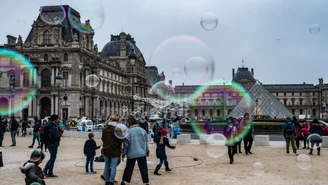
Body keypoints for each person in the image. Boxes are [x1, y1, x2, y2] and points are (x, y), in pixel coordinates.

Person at [120, 116, 150, 185]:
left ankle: (124, 181)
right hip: (142, 152)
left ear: (129, 123)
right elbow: (145, 142)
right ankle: (146, 182)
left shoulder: (128, 131)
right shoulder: (142, 130)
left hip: (131, 152)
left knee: (129, 168)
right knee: (143, 168)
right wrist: (147, 151)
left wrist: (123, 154)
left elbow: (126, 145)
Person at [101, 114, 123, 185]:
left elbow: (103, 139)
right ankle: (111, 181)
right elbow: (121, 140)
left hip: (106, 149)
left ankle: (106, 180)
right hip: (115, 150)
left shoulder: (105, 129)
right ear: (117, 120)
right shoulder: (118, 129)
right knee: (113, 166)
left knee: (106, 165)